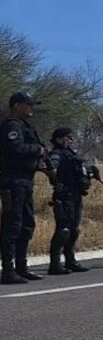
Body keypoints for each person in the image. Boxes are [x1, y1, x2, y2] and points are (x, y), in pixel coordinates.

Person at [1, 92, 47, 284]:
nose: (31, 108)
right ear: (17, 106)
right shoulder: (12, 126)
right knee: (13, 225)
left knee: (27, 224)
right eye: (28, 104)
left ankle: (22, 267)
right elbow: (16, 149)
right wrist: (37, 149)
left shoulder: (25, 126)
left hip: (26, 180)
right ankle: (8, 270)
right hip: (13, 181)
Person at [48, 127, 98, 274]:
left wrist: (89, 173)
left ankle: (70, 261)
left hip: (76, 195)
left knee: (74, 230)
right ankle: (55, 264)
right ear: (59, 139)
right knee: (63, 229)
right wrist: (58, 182)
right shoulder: (56, 154)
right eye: (68, 137)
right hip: (64, 195)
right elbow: (51, 170)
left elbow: (81, 171)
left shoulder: (72, 154)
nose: (71, 140)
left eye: (71, 138)